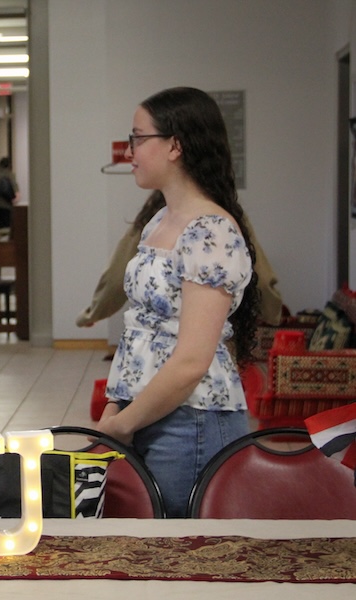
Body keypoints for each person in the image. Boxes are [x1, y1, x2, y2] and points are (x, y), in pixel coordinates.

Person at [95, 87, 261, 518]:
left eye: (138, 137)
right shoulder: (160, 218)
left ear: (175, 145)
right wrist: (118, 406)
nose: (130, 150)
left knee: (181, 557)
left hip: (192, 423)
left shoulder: (211, 232)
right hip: (147, 411)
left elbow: (191, 361)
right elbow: (140, 332)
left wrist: (124, 424)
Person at [76, 190, 284, 328]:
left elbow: (116, 277)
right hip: (215, 345)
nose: (131, 153)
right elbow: (262, 280)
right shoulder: (228, 215)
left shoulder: (158, 215)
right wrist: (273, 314)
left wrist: (92, 313)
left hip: (170, 351)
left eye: (140, 139)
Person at [0, 156, 19, 233]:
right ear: (9, 165)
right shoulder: (10, 175)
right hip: (5, 207)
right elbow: (16, 194)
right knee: (5, 232)